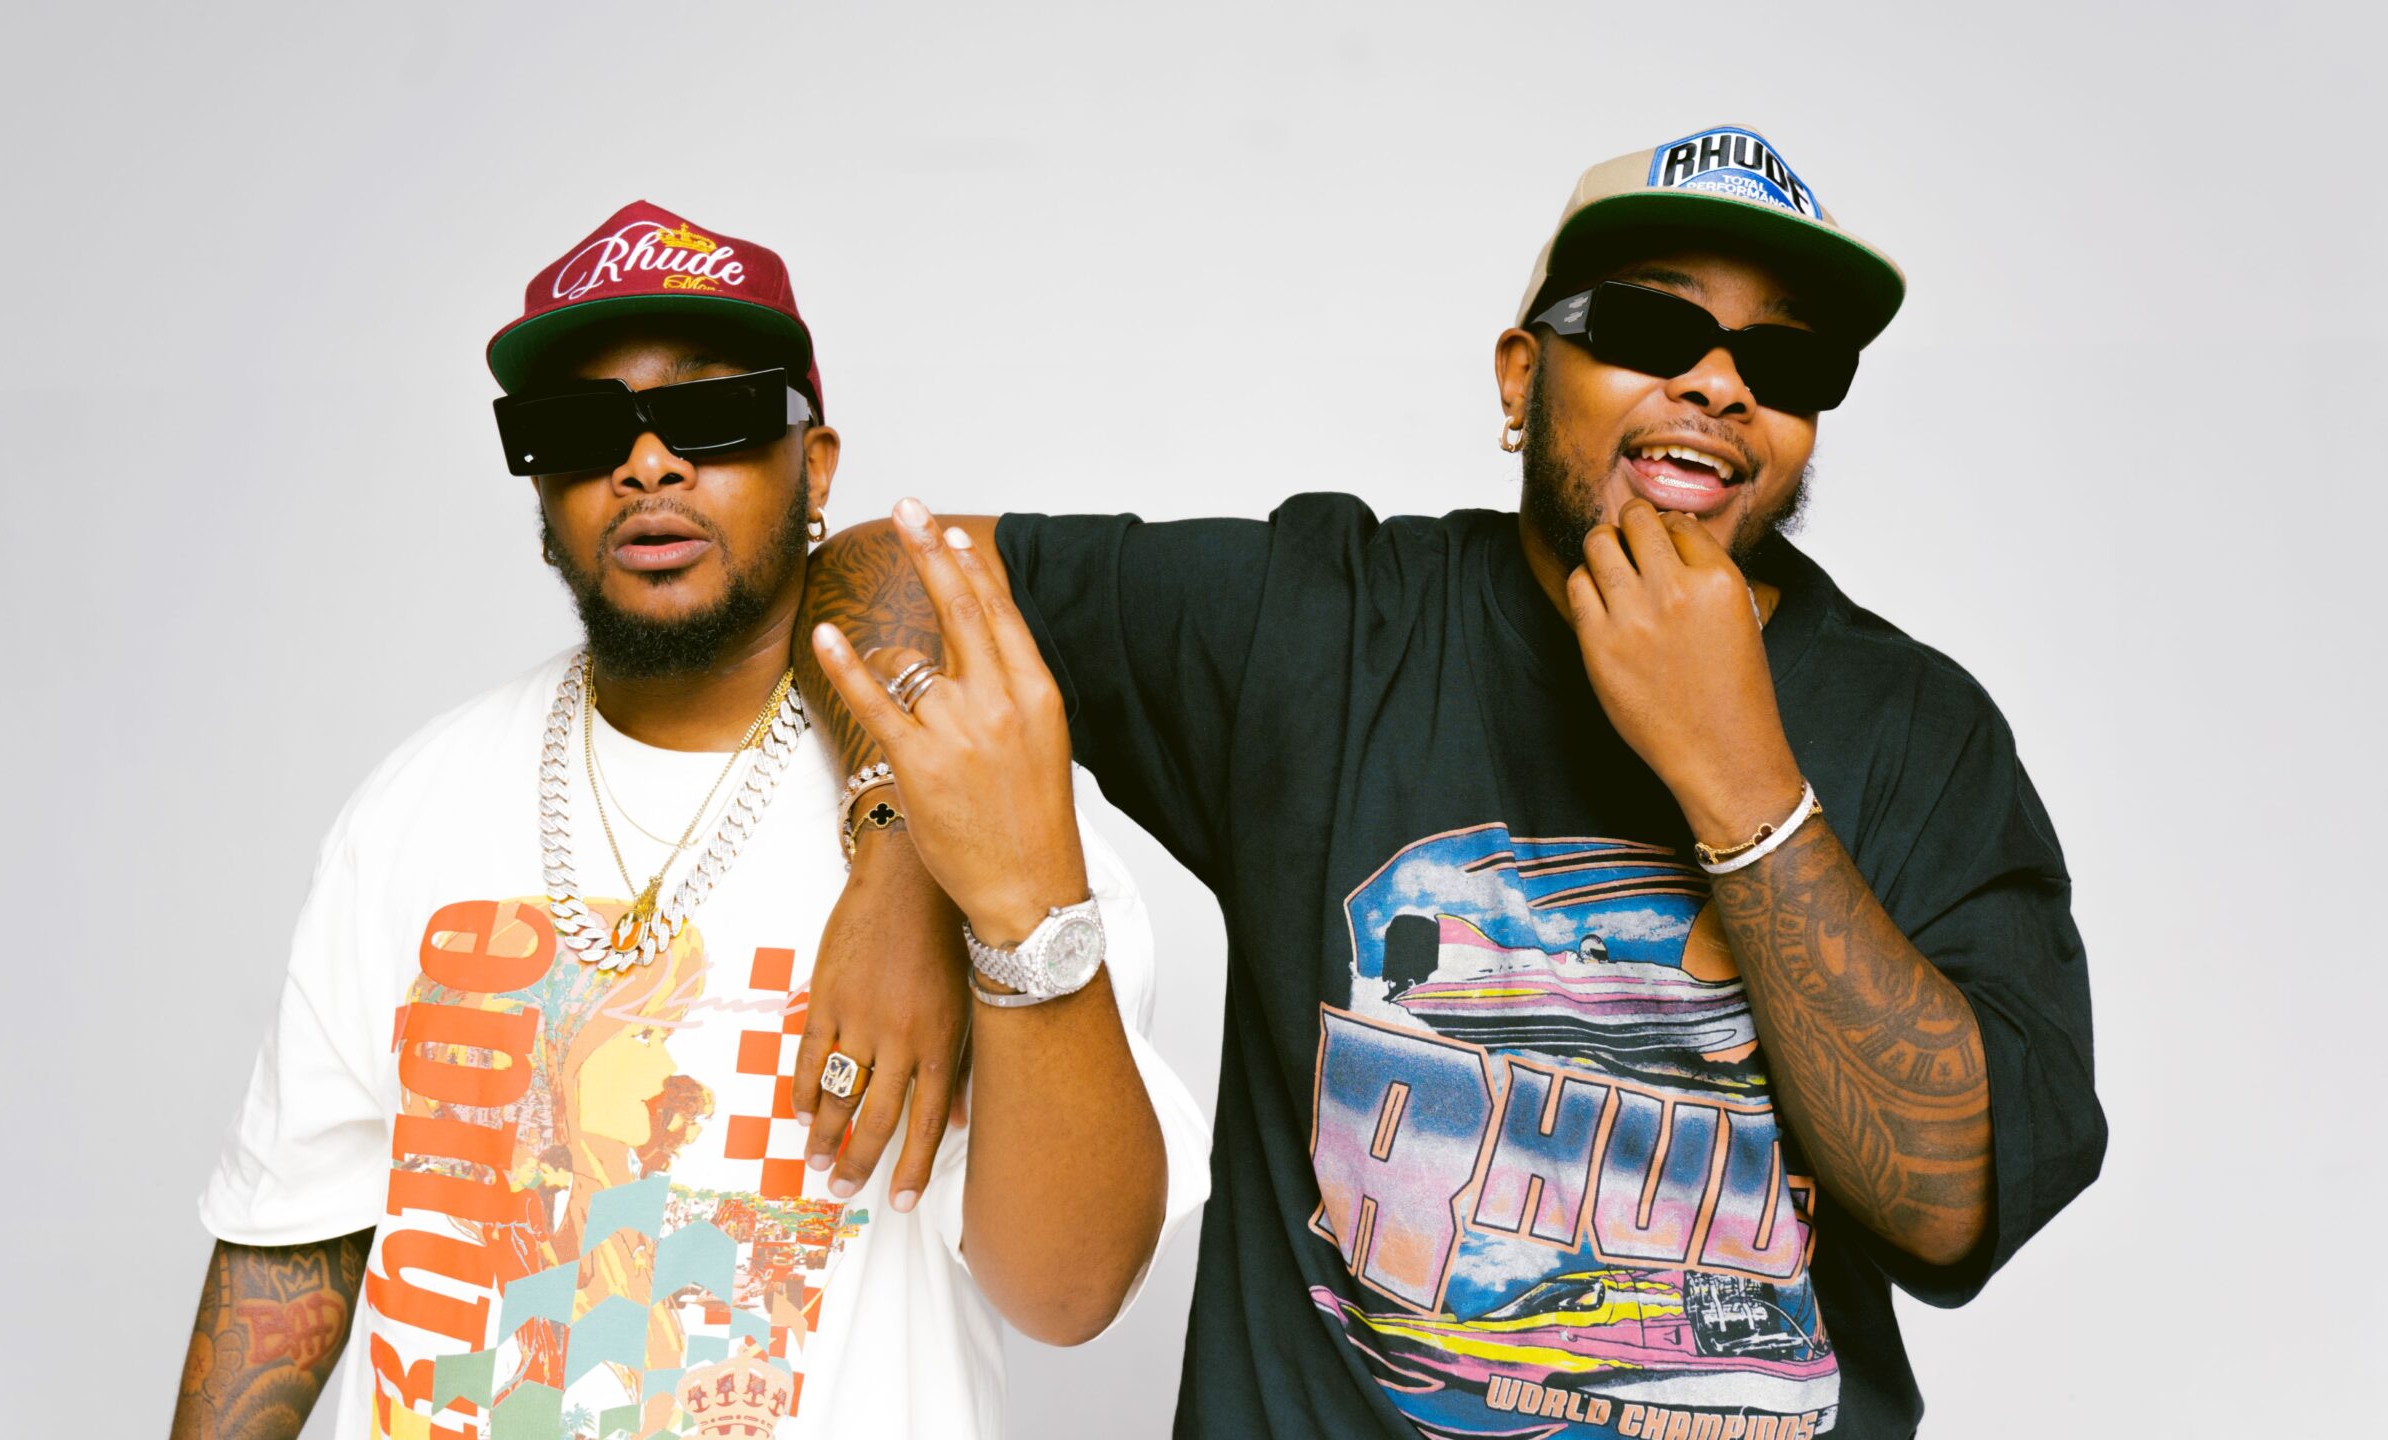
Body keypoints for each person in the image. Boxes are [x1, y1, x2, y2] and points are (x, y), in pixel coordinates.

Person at [798, 126, 2107, 1438]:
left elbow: (1951, 1209)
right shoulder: (1324, 625)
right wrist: (903, 845)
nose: (1718, 382)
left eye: (1787, 361)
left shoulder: (1917, 731)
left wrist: (1742, 783)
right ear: (1520, 376)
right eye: (1652, 326)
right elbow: (882, 572)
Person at [173, 202, 1210, 1440]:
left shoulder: (978, 801)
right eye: (578, 430)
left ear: (815, 466)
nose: (647, 465)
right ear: (539, 487)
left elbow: (1070, 1290)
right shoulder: (414, 801)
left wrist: (987, 914)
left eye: (713, 415)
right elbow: (292, 1240)